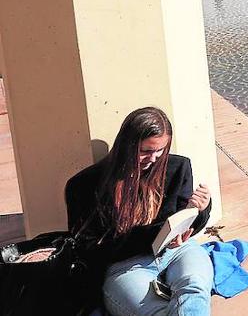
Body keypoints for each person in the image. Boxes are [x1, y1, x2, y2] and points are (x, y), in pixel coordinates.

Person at [65, 107, 214, 316]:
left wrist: (201, 209)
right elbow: (88, 248)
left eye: (160, 150)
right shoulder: (86, 185)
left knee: (194, 290)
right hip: (126, 266)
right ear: (126, 145)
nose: (153, 158)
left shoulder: (177, 167)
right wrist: (155, 237)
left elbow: (185, 220)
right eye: (145, 151)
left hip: (177, 252)